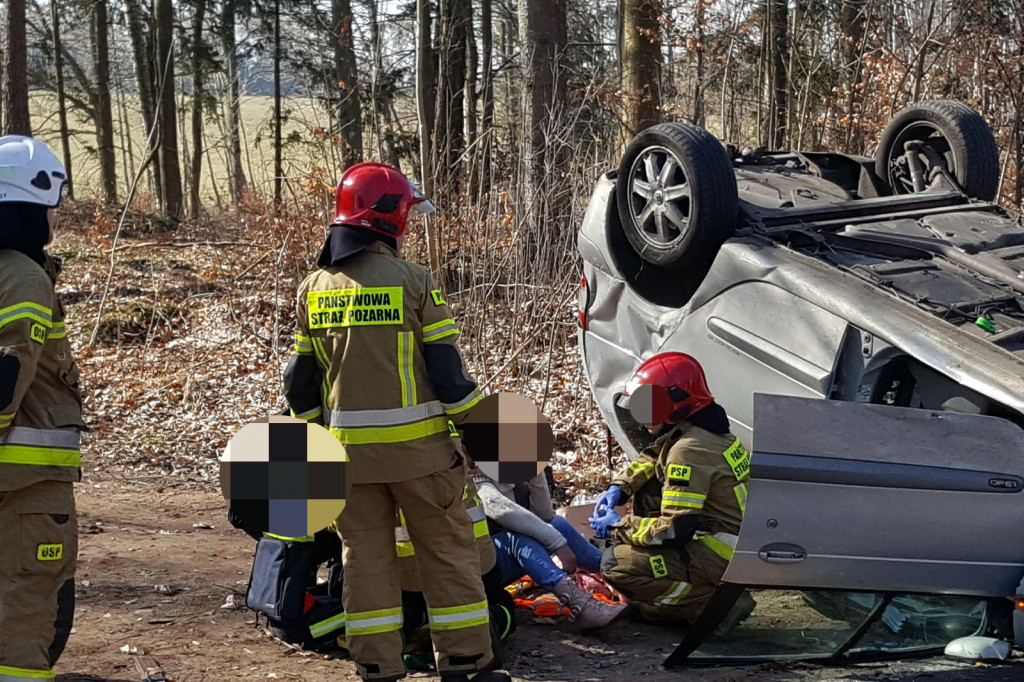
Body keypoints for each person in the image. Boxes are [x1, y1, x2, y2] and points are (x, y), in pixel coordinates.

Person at [283, 162, 507, 682]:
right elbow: (449, 378)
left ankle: (377, 667)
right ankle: (466, 664)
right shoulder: (414, 282)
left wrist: (317, 440)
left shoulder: (312, 288)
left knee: (364, 561)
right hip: (422, 459)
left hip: (347, 464)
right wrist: (481, 433)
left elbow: (299, 385)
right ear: (390, 217)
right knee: (447, 554)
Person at [0, 135, 84, 681]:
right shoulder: (23, 277)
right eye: (49, 207)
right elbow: (5, 378)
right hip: (24, 490)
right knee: (24, 625)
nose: (54, 220)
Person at [588, 352, 752, 625]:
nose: (642, 420)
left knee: (615, 565)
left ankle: (710, 607)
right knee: (650, 487)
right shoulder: (707, 431)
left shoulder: (688, 452)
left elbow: (673, 530)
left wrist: (619, 526)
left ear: (676, 403)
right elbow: (655, 456)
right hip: (733, 541)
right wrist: (620, 487)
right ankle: (712, 595)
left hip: (719, 553)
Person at [471, 465, 627, 629]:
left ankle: (617, 577)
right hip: (471, 571)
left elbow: (545, 516)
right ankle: (582, 605)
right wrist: (557, 543)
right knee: (519, 539)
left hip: (489, 561)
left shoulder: (503, 472)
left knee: (557, 523)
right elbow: (502, 511)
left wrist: (534, 472)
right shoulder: (472, 475)